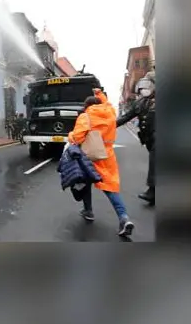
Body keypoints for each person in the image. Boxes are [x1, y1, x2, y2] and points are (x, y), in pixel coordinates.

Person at [67, 89, 135, 237]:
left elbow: (77, 138)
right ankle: (124, 218)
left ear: (86, 106)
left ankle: (89, 211)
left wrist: (70, 135)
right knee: (110, 187)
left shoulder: (86, 116)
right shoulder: (110, 113)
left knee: (85, 183)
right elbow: (107, 103)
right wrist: (99, 94)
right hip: (107, 156)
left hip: (89, 156)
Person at [117, 72, 156, 205]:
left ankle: (152, 192)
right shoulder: (140, 103)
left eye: (148, 85)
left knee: (155, 161)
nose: (144, 89)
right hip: (149, 139)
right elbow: (125, 117)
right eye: (143, 85)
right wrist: (107, 126)